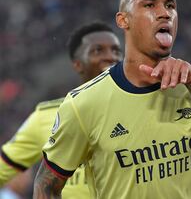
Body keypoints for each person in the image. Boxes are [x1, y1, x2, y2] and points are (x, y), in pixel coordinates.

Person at [33, 0, 191, 199]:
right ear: (123, 20)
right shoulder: (84, 104)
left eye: (170, 6)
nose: (164, 12)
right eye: (150, 5)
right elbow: (46, 187)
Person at [0, 21, 122, 198]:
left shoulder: (143, 108)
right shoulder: (46, 117)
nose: (111, 57)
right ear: (77, 64)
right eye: (98, 50)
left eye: (116, 51)